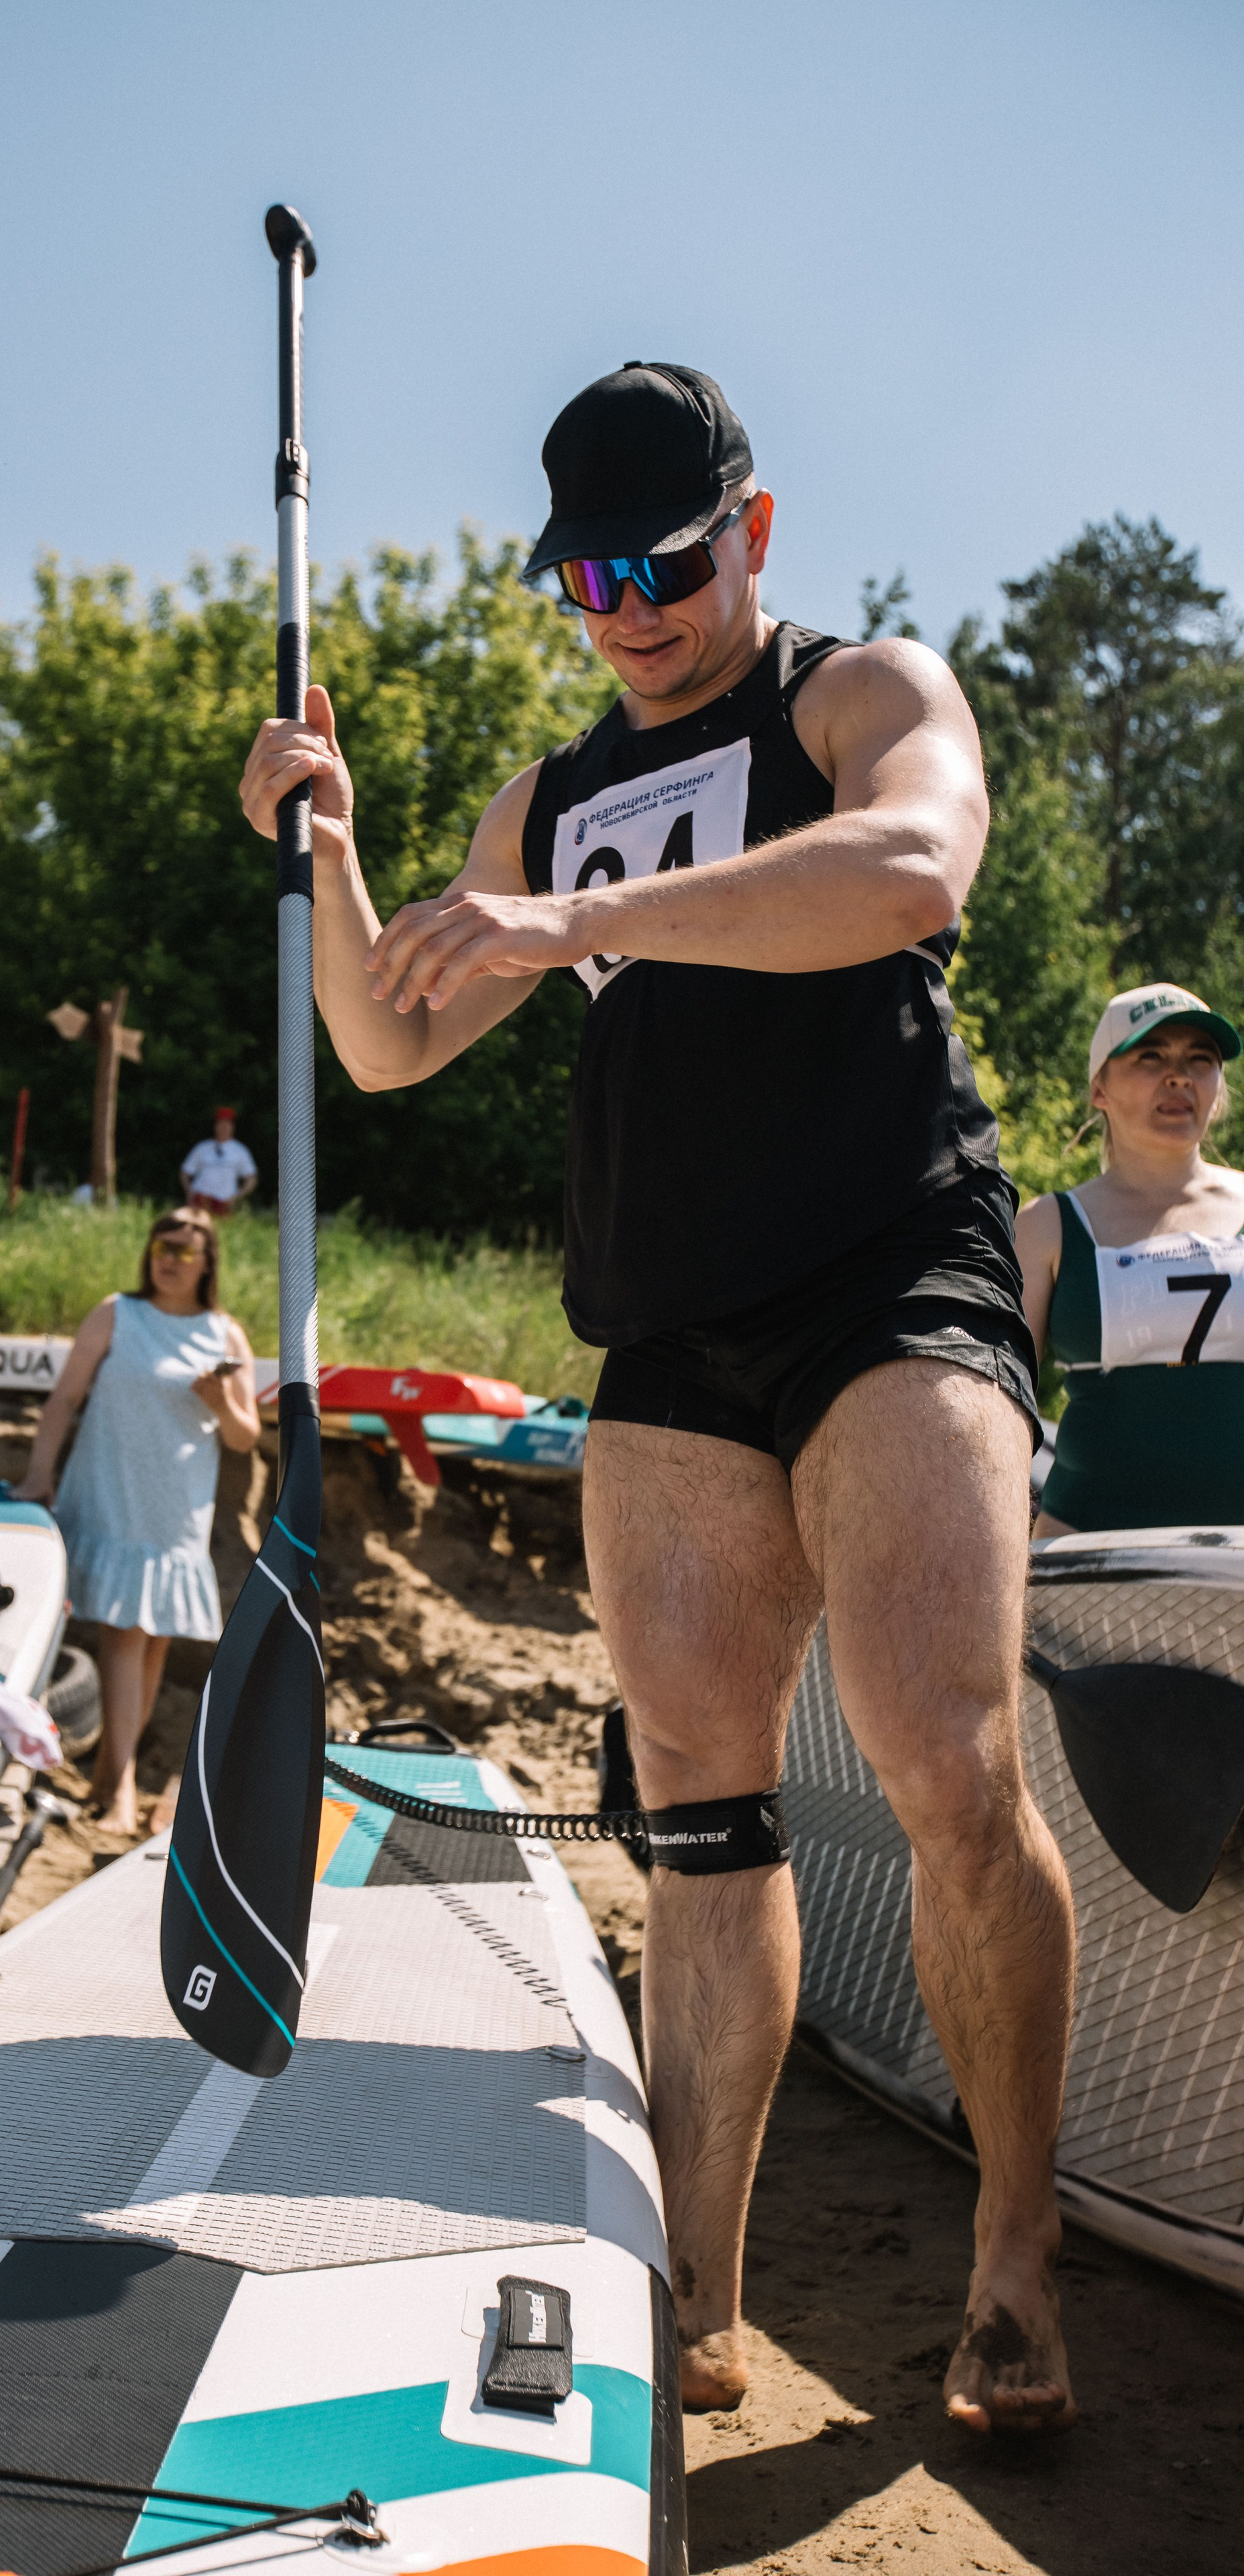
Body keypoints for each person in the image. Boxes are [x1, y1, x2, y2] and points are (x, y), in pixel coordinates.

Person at [240, 363, 1079, 2436]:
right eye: (586, 578)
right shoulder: (541, 799)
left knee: (947, 1763)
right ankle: (695, 2291)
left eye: (664, 566)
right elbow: (386, 1041)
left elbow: (914, 871)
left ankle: (1011, 2261)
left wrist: (579, 918)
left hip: (891, 1270)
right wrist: (330, 855)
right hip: (671, 1328)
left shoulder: (854, 692)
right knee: (700, 1818)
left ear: (752, 532)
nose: (625, 612)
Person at [13, 1206, 259, 1831]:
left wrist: (220, 1400)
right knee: (125, 1632)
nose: (168, 1259)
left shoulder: (226, 1334)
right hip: (112, 1490)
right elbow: (66, 1397)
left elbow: (244, 1436)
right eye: (160, 1246)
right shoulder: (116, 1313)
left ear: (207, 1262)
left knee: (152, 1643)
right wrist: (40, 1473)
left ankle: (106, 1779)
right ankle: (121, 1790)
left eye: (183, 1250)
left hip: (176, 1506)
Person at [1018, 984, 1244, 1536]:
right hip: (1087, 1549)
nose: (1179, 1076)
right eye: (1151, 1056)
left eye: (1200, 1058)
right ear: (1099, 1089)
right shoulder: (1046, 1225)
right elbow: (995, 1402)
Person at [180, 1108, 258, 1217]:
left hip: (224, 1202)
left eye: (227, 1124)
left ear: (233, 1127)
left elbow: (251, 1179)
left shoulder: (240, 1151)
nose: (224, 1127)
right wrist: (189, 1192)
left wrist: (237, 1197)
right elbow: (185, 1173)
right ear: (215, 1126)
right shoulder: (202, 1148)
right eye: (220, 1123)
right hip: (200, 1198)